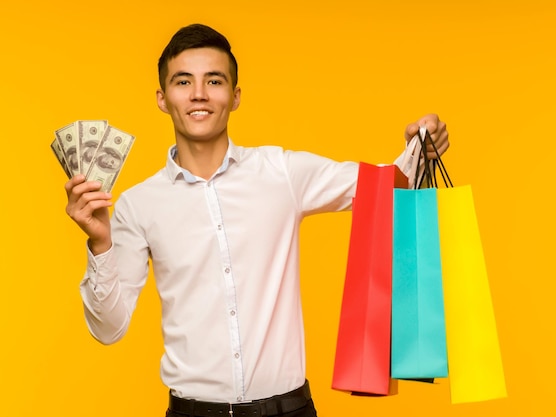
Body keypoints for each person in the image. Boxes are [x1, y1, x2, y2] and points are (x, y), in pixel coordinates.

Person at [64, 23, 450, 417]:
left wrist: (420, 147)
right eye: (184, 81)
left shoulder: (280, 172)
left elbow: (383, 188)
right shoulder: (137, 204)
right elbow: (108, 329)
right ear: (163, 99)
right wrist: (99, 244)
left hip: (290, 410)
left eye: (214, 80)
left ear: (235, 96)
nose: (199, 93)